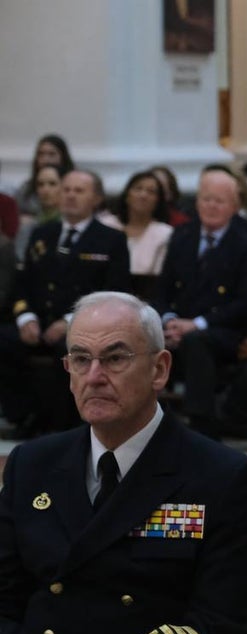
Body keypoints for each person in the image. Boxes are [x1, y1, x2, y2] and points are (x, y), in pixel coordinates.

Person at [0, 291, 247, 634]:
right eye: (80, 359)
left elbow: (219, 623)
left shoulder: (217, 475)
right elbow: (4, 597)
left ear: (159, 369)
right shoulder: (32, 464)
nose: (94, 376)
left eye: (114, 357)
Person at [1, 169, 131, 438]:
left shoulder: (111, 239)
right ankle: (23, 414)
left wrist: (70, 322)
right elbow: (22, 283)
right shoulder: (43, 233)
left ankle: (63, 424)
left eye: (79, 191)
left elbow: (114, 293)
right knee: (5, 339)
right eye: (67, 189)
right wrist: (26, 317)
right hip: (39, 322)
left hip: (85, 326)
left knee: (71, 349)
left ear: (96, 199)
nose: (70, 196)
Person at [153, 169, 247, 438]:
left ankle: (200, 426)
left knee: (197, 342)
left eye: (219, 201)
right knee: (143, 337)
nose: (211, 206)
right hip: (177, 325)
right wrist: (168, 320)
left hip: (224, 328)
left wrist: (196, 324)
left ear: (234, 207)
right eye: (206, 199)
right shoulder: (182, 235)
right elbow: (162, 289)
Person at [116, 170, 173, 276]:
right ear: (127, 195)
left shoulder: (165, 234)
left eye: (151, 192)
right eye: (138, 189)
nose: (143, 195)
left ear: (158, 201)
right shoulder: (107, 224)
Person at [15, 135, 74, 216]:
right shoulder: (26, 188)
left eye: (51, 154)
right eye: (41, 154)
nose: (45, 159)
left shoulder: (75, 186)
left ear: (63, 157)